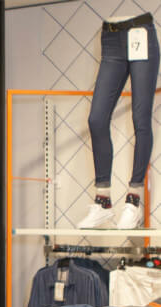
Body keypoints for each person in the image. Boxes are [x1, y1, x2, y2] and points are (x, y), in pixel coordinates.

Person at [77, 12, 160, 229]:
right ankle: (103, 201)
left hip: (140, 34)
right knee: (96, 119)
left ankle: (134, 200)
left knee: (140, 119)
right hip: (111, 39)